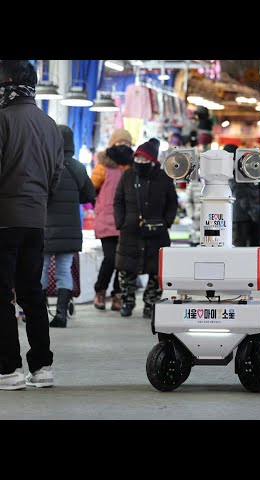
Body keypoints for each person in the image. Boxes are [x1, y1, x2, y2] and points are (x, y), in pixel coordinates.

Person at [0, 60, 63, 389]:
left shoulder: (2, 119)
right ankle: (42, 367)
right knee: (32, 294)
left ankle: (8, 370)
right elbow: (56, 173)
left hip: (4, 221)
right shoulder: (49, 123)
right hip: (35, 220)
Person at [114, 138, 178, 319]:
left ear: (153, 160)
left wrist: (166, 221)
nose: (140, 162)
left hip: (157, 231)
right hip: (130, 230)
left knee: (157, 271)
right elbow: (118, 201)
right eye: (138, 158)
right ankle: (127, 302)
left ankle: (150, 304)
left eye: (144, 159)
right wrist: (121, 222)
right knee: (126, 270)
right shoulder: (127, 176)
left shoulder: (164, 177)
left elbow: (172, 203)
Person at [42, 126, 96, 328]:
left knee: (42, 270)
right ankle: (61, 315)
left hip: (45, 228)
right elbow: (89, 195)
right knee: (64, 270)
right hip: (70, 229)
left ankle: (39, 315)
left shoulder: (44, 165)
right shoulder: (77, 167)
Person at [91, 128, 134, 311]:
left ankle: (118, 294)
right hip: (107, 219)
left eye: (127, 143)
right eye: (120, 142)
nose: (123, 146)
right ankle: (100, 291)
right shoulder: (103, 164)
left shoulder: (133, 165)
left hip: (127, 219)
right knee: (110, 258)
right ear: (112, 143)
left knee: (123, 261)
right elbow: (92, 187)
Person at [224, 144, 260, 247]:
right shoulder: (239, 172)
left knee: (243, 249)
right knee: (250, 248)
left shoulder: (231, 174)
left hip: (242, 218)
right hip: (243, 218)